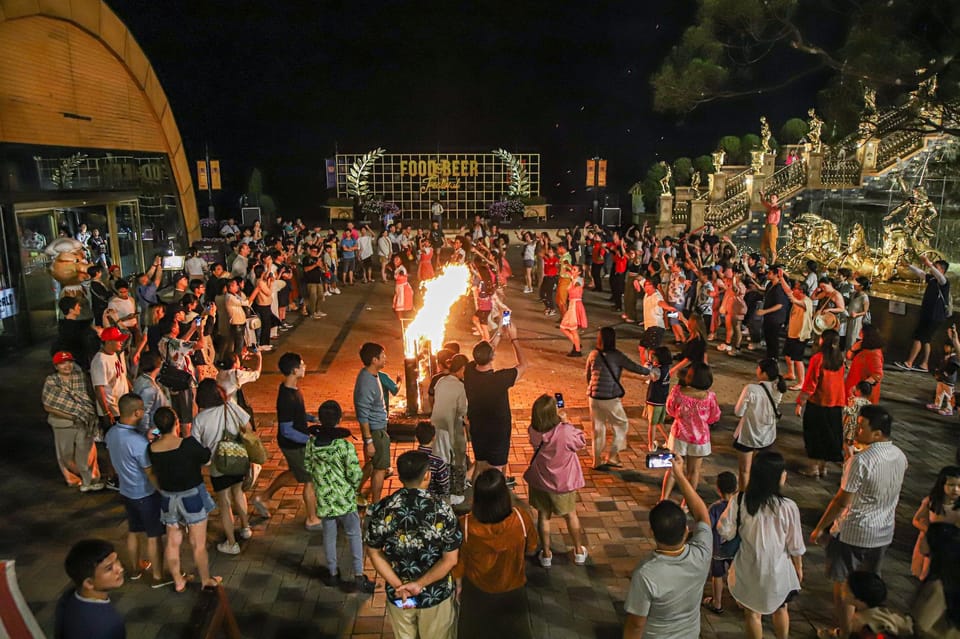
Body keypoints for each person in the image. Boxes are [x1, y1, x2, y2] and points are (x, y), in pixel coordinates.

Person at [809, 405, 908, 639]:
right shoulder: (900, 456)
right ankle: (865, 629)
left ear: (877, 434)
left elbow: (841, 501)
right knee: (868, 589)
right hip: (883, 532)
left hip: (854, 532)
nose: (856, 430)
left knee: (845, 587)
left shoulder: (861, 461)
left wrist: (821, 528)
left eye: (862, 427)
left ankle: (844, 633)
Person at [364, 451, 462, 639]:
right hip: (435, 594)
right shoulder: (442, 511)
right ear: (427, 475)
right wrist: (419, 585)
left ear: (399, 476)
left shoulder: (382, 508)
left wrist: (399, 585)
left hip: (399, 595)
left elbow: (374, 553)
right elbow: (450, 560)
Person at [718, 452, 805, 639]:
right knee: (781, 608)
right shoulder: (788, 506)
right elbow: (794, 543)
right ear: (776, 477)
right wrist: (798, 566)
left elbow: (725, 530)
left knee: (752, 613)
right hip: (778, 569)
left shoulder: (740, 500)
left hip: (750, 566)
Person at [623, 455, 712, 639]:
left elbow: (636, 625)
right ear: (686, 530)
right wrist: (680, 475)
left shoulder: (646, 573)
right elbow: (703, 515)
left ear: (651, 533)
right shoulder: (701, 553)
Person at [453, 468, 538, 639]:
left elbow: (459, 561)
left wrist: (458, 585)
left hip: (477, 589)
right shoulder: (521, 519)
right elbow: (532, 548)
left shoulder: (466, 525)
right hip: (513, 586)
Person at [304, 400, 376, 593]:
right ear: (339, 419)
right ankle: (359, 576)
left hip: (325, 499)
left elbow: (308, 467)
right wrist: (352, 488)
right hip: (345, 499)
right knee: (354, 535)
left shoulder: (311, 444)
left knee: (329, 535)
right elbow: (355, 474)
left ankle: (333, 573)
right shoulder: (344, 447)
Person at [146, 407, 220, 591]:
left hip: (168, 498)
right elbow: (205, 457)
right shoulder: (188, 444)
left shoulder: (152, 448)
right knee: (198, 544)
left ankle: (178, 580)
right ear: (176, 423)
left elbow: (153, 473)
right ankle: (205, 580)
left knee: (172, 541)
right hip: (191, 497)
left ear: (157, 427)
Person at [250, 352, 321, 529]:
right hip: (294, 444)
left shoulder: (291, 389)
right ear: (294, 370)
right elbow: (287, 429)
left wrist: (311, 418)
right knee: (309, 479)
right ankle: (312, 519)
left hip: (295, 442)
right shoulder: (287, 397)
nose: (304, 367)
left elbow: (296, 414)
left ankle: (263, 497)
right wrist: (308, 439)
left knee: (294, 473)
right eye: (302, 364)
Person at [103, 393, 164, 585]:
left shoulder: (111, 433)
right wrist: (162, 491)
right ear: (137, 412)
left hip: (126, 491)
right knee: (154, 536)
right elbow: (149, 472)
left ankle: (136, 569)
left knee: (134, 530)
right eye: (142, 411)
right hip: (145, 493)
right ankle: (157, 576)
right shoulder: (138, 443)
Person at [524, 393, 587, 567]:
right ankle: (579, 551)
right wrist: (566, 422)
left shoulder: (533, 430)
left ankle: (546, 554)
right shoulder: (565, 432)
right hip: (563, 482)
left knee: (543, 516)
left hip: (541, 480)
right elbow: (581, 442)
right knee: (570, 515)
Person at [190, 379, 252, 555]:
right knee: (239, 492)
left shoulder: (200, 419)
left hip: (217, 464)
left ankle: (232, 543)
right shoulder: (230, 406)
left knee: (224, 502)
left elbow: (196, 444)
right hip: (238, 457)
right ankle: (245, 527)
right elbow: (247, 427)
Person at [464, 322, 527, 482]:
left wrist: (499, 331)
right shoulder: (500, 379)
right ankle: (496, 495)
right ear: (493, 357)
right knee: (497, 468)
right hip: (498, 431)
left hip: (478, 427)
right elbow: (524, 365)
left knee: (480, 463)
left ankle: (478, 491)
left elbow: (487, 349)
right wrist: (514, 339)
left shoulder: (469, 371)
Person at [585, 326, 650, 469]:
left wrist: (593, 388)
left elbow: (588, 375)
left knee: (597, 429)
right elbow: (634, 367)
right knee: (621, 424)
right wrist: (649, 371)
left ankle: (596, 461)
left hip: (593, 397)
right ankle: (612, 455)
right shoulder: (617, 356)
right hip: (610, 397)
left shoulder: (594, 354)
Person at [661, 363, 721, 502]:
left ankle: (664, 498)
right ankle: (687, 503)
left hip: (679, 435)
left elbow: (670, 410)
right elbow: (714, 417)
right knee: (693, 472)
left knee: (673, 469)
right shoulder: (710, 397)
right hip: (700, 439)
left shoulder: (678, 392)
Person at [42, 351, 101, 491]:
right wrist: (72, 416)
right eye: (62, 363)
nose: (66, 365)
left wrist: (84, 415)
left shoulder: (80, 377)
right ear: (56, 366)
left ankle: (89, 480)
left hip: (84, 422)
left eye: (69, 362)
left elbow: (88, 398)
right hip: (62, 424)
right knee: (66, 454)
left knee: (85, 451)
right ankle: (75, 479)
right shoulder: (51, 381)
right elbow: (48, 406)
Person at [795, 329, 847, 478]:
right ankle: (823, 467)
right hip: (836, 403)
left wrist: (800, 402)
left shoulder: (818, 358)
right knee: (828, 436)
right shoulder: (839, 359)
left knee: (814, 436)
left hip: (819, 403)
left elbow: (811, 383)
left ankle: (813, 467)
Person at [54, 539, 126, 639]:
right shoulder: (108, 626)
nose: (120, 569)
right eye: (109, 568)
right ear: (89, 583)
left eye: (116, 561)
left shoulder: (67, 598)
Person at [732, 358, 787, 489]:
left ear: (764, 373)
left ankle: (744, 496)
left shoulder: (751, 389)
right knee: (761, 469)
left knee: (744, 471)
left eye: (758, 368)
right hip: (767, 435)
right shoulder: (778, 387)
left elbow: (738, 412)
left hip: (748, 434)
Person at [896, 255, 951, 373]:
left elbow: (940, 277)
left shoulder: (944, 282)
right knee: (926, 339)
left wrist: (928, 263)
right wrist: (908, 266)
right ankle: (924, 364)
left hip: (935, 316)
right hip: (928, 314)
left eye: (936, 267)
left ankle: (909, 362)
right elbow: (921, 273)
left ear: (941, 270)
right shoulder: (931, 279)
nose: (932, 269)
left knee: (919, 337)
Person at [354, 342, 391, 505]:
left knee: (372, 464)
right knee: (379, 469)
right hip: (376, 431)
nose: (386, 359)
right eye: (383, 357)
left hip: (377, 429)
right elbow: (363, 415)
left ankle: (355, 490)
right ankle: (376, 504)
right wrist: (369, 441)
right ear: (374, 360)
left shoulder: (370, 376)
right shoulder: (367, 382)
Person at [911, 465, 960, 580]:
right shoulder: (932, 502)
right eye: (951, 485)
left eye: (959, 486)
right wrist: (929, 531)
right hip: (931, 543)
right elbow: (916, 520)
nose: (956, 489)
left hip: (950, 545)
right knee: (927, 573)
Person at [913, 522, 960, 638]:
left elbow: (920, 626)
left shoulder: (937, 586)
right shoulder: (949, 576)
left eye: (926, 536)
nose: (921, 538)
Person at [703, 471, 738, 615]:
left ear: (718, 489)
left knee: (717, 575)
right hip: (735, 547)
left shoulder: (715, 508)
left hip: (718, 548)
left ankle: (717, 603)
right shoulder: (739, 506)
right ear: (736, 488)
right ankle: (740, 600)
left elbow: (707, 526)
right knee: (736, 572)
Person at [844, 571, 914, 638]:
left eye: (847, 589)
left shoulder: (861, 623)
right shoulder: (883, 612)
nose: (843, 589)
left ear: (858, 597)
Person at [783, 279, 814, 391]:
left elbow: (794, 299)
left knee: (797, 359)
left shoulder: (807, 301)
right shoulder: (798, 299)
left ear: (801, 291)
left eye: (795, 288)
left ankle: (801, 382)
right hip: (792, 332)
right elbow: (788, 291)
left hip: (801, 335)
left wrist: (790, 296)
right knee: (787, 355)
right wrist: (782, 278)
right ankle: (791, 373)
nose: (793, 289)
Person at [755, 265, 791, 360]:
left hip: (776, 317)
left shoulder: (779, 288)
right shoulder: (770, 284)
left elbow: (779, 305)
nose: (768, 275)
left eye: (770, 273)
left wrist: (764, 311)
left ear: (776, 275)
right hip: (769, 316)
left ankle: (773, 358)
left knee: (773, 338)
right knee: (768, 337)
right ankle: (769, 357)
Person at [131, 352, 170, 436]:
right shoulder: (149, 388)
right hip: (152, 431)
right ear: (157, 367)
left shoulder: (141, 379)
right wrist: (149, 433)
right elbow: (144, 413)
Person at [927, 325, 960, 415]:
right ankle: (937, 404)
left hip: (948, 380)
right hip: (942, 379)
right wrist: (938, 372)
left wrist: (944, 373)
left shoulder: (954, 358)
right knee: (939, 392)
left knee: (949, 395)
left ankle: (949, 409)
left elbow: (952, 368)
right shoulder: (946, 356)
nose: (945, 348)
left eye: (947, 346)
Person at [645, 346, 672, 452]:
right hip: (662, 400)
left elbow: (647, 375)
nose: (652, 359)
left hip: (654, 400)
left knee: (652, 424)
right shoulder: (666, 369)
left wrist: (648, 367)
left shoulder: (657, 370)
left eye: (654, 357)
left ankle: (651, 445)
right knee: (659, 422)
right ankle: (669, 441)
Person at [415, 422, 450, 501]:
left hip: (414, 496)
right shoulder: (438, 462)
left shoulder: (410, 458)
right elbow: (444, 485)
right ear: (434, 438)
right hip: (433, 499)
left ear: (416, 438)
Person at [559, 264, 587, 357]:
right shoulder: (574, 278)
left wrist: (573, 278)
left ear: (579, 272)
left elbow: (578, 284)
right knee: (565, 328)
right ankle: (577, 344)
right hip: (573, 305)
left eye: (574, 269)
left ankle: (577, 348)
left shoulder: (578, 280)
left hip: (575, 306)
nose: (572, 270)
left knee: (570, 329)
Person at [844, 277, 871, 350]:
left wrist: (856, 314)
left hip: (857, 321)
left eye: (856, 285)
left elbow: (865, 311)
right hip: (849, 318)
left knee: (852, 338)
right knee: (847, 338)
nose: (854, 286)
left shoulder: (864, 297)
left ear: (861, 286)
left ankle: (851, 356)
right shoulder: (854, 293)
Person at [760, 192, 781, 263]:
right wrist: (762, 195)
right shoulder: (770, 207)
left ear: (777, 199)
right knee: (763, 247)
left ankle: (773, 262)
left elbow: (777, 208)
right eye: (771, 198)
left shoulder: (776, 207)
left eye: (773, 198)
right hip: (767, 226)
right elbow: (763, 202)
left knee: (772, 246)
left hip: (773, 227)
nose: (771, 199)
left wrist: (781, 207)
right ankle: (768, 260)